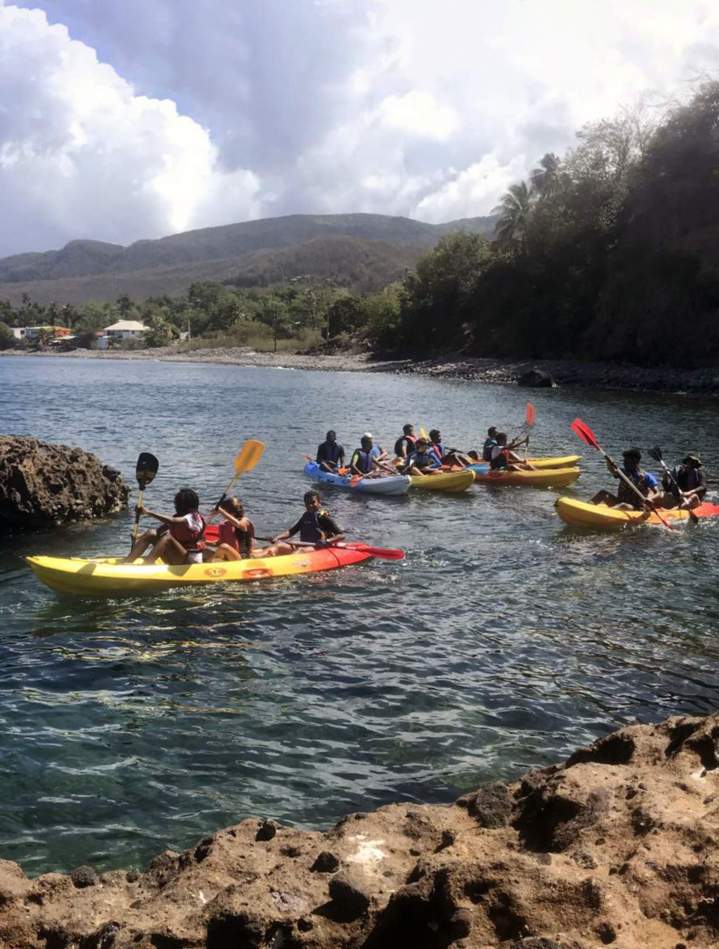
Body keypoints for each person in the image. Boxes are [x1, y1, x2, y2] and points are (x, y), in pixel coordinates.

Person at [126, 488, 206, 564]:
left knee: (167, 538)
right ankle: (127, 561)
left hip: (190, 560)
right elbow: (158, 532)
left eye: (177, 504)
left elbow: (172, 521)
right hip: (176, 556)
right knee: (151, 533)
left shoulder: (193, 518)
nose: (176, 507)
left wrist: (148, 512)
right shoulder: (179, 517)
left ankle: (146, 564)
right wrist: (138, 537)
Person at [272, 490, 345, 550]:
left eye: (313, 502)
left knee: (301, 550)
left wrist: (327, 541)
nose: (310, 505)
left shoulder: (322, 516)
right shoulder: (306, 516)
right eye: (307, 503)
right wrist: (278, 537)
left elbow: (341, 535)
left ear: (319, 502)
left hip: (318, 548)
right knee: (278, 545)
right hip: (305, 546)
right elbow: (291, 532)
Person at [590, 448, 660, 510]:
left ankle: (603, 515)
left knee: (623, 505)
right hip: (618, 502)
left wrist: (650, 498)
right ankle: (587, 508)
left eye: (626, 461)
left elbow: (657, 493)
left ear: (635, 461)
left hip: (635, 507)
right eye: (624, 461)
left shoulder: (647, 476)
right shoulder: (623, 473)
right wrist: (609, 462)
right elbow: (612, 470)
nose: (624, 463)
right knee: (603, 493)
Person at [210, 497, 255, 561]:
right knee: (204, 551)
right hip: (228, 555)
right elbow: (218, 543)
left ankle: (208, 562)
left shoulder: (244, 521)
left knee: (224, 547)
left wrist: (220, 510)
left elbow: (240, 525)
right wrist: (204, 542)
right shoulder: (225, 524)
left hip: (241, 557)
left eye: (224, 511)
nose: (222, 514)